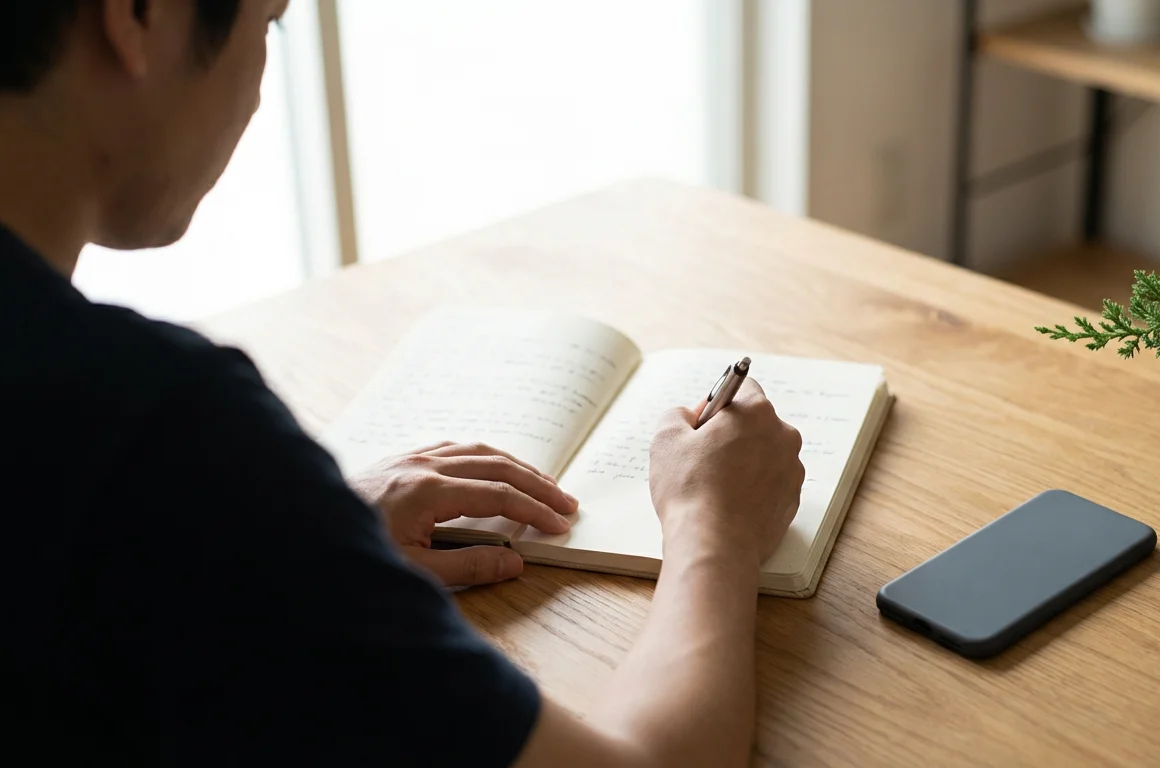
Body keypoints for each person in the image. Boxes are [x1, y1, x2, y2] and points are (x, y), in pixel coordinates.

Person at [4, 1, 806, 765]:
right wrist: (715, 528)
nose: (256, 84)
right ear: (138, 13)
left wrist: (298, 547)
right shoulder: (161, 434)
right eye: (271, 18)